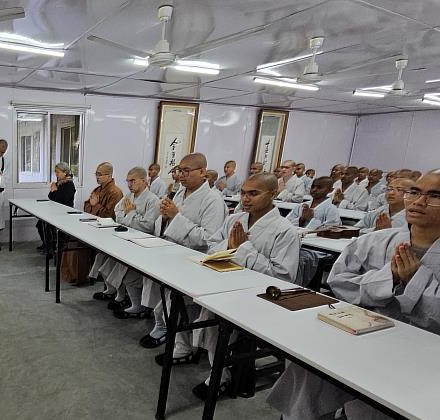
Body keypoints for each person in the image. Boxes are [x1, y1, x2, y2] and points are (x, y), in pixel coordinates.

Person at [268, 170, 440, 420]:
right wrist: (389, 279)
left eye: (434, 195)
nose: (419, 201)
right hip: (364, 332)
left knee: (379, 406)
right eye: (416, 192)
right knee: (306, 363)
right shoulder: (376, 241)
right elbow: (339, 282)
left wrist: (415, 280)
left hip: (423, 352)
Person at [189, 173, 300, 400]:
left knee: (217, 320)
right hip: (226, 284)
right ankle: (216, 367)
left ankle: (220, 374)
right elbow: (211, 246)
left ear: (273, 194)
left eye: (253, 193)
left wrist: (243, 249)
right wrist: (229, 246)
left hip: (260, 296)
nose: (245, 199)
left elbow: (282, 277)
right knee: (204, 310)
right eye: (243, 193)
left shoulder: (284, 230)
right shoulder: (235, 219)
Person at [136, 153, 227, 349]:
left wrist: (175, 217)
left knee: (175, 302)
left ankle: (182, 346)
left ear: (202, 172)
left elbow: (209, 240)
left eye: (187, 171)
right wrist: (165, 216)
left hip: (194, 260)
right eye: (179, 170)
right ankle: (163, 328)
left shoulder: (213, 200)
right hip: (171, 252)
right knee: (161, 294)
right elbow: (167, 222)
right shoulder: (179, 193)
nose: (181, 175)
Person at [89, 167, 160, 310]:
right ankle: (115, 293)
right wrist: (129, 217)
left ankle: (131, 302)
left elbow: (148, 226)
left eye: (133, 181)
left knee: (122, 268)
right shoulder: (128, 196)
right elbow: (118, 215)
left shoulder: (153, 200)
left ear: (144, 181)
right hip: (125, 237)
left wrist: (131, 213)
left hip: (142, 243)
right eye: (128, 181)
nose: (129, 184)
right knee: (103, 258)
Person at [62, 162, 123, 285]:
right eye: (96, 174)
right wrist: (93, 206)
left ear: (109, 175)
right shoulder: (98, 189)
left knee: (79, 242)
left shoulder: (116, 192)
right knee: (70, 236)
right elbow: (86, 207)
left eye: (100, 174)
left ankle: (80, 275)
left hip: (106, 230)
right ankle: (71, 274)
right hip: (94, 224)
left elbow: (110, 216)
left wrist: (96, 205)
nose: (97, 177)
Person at [37, 162, 76, 251]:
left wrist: (54, 191)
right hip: (55, 211)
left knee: (48, 226)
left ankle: (51, 248)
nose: (56, 174)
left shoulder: (69, 185)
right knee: (40, 224)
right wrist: (54, 190)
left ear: (65, 173)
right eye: (55, 172)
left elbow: (62, 199)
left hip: (64, 213)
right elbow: (50, 196)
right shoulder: (58, 183)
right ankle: (47, 244)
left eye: (58, 172)